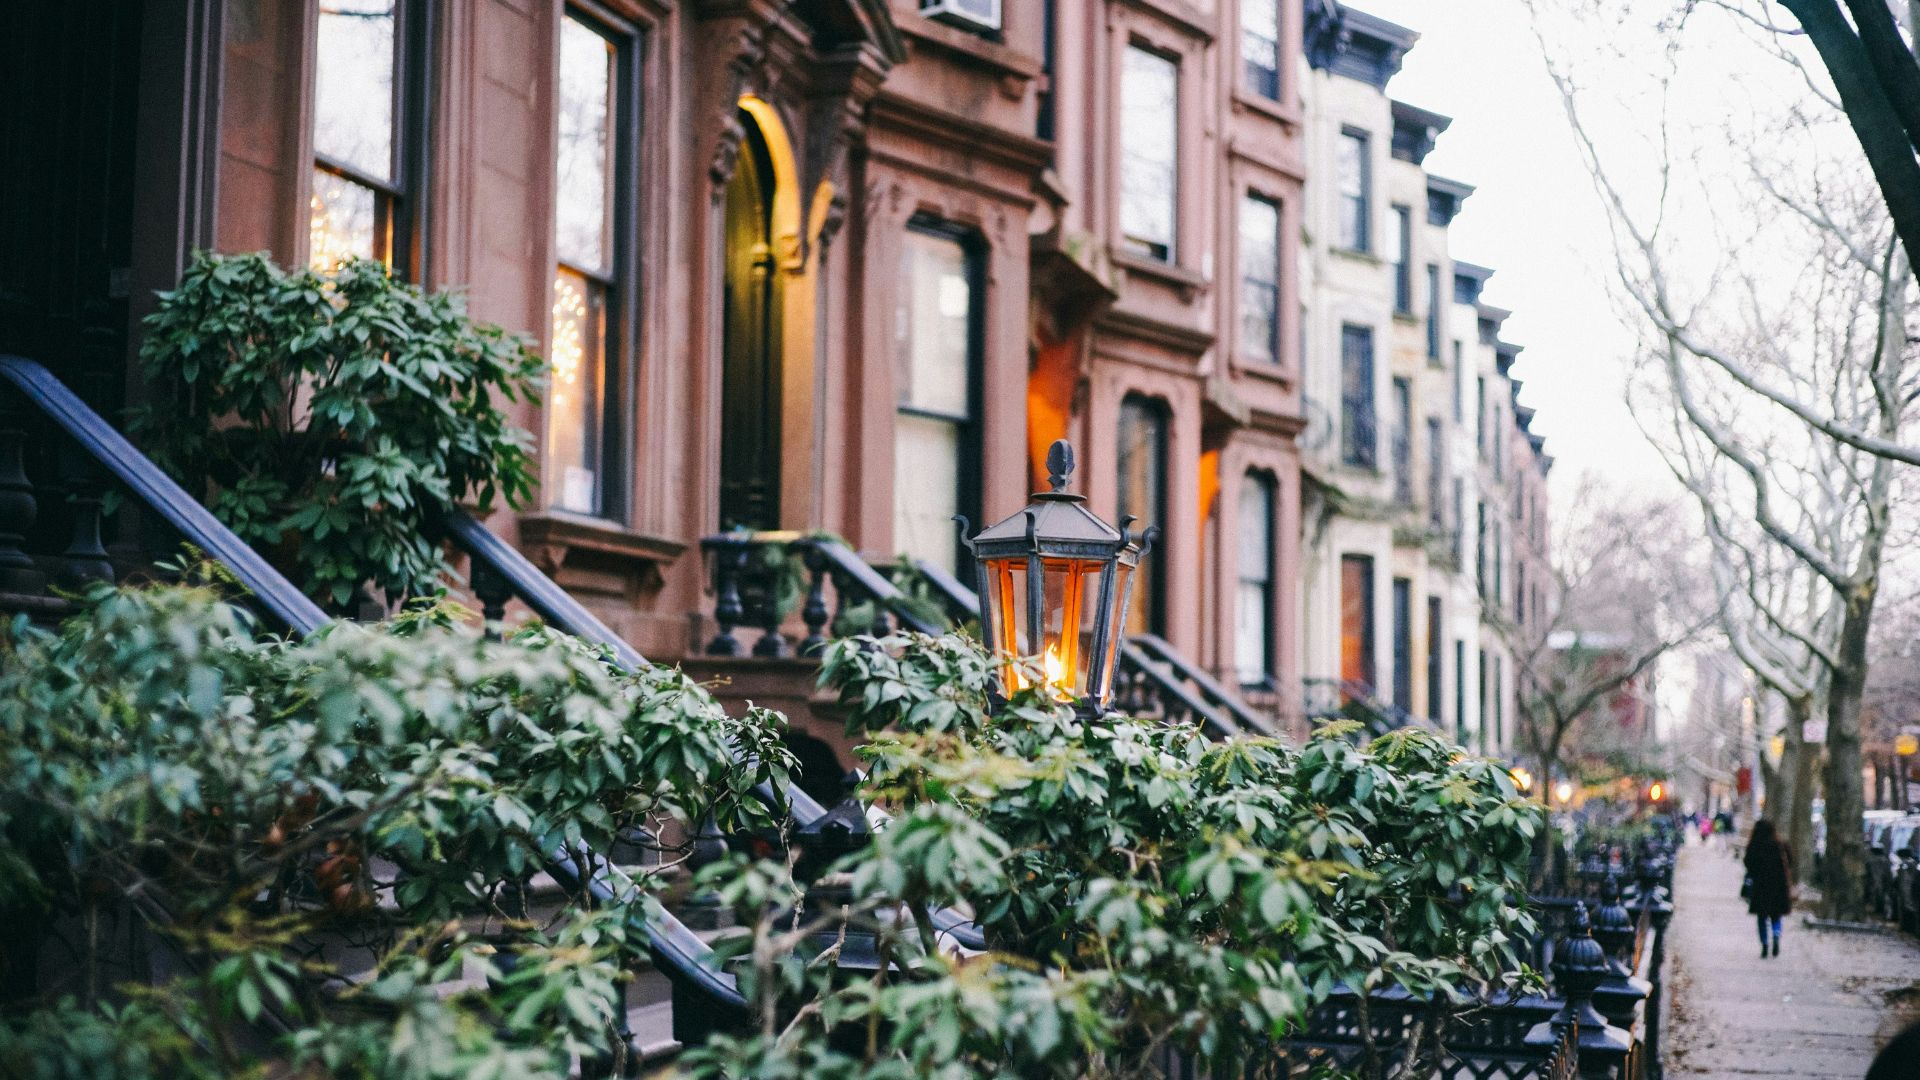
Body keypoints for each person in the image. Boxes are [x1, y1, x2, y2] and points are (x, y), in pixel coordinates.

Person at [1743, 818, 1793, 958]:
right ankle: (1776, 935)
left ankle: (1765, 944)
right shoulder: (1781, 845)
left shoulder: (1754, 846)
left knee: (1762, 918)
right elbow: (1790, 861)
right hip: (1778, 886)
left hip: (1760, 886)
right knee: (1776, 915)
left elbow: (1748, 863)